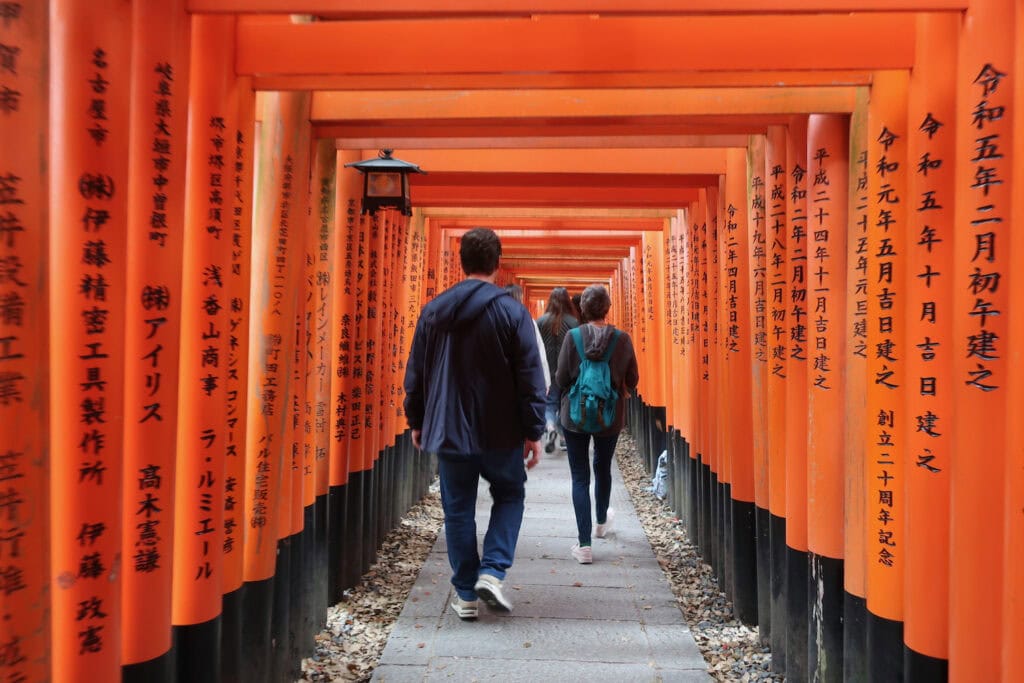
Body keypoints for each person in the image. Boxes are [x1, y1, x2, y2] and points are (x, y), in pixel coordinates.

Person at [404, 228, 546, 620]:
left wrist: (416, 418)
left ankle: (466, 593)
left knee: (458, 509)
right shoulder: (512, 312)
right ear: (497, 264)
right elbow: (530, 375)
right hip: (501, 429)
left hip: (449, 427)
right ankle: (494, 570)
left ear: (461, 262)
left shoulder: (433, 311)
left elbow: (417, 372)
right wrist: (533, 429)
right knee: (510, 494)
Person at [555, 284, 639, 564]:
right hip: (610, 416)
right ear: (607, 309)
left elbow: (561, 377)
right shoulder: (623, 340)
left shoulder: (573, 337)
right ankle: (601, 522)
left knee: (580, 477)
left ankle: (584, 545)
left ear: (582, 309)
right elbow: (633, 379)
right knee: (603, 467)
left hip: (575, 415)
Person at [536, 287, 578, 453]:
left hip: (547, 370)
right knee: (566, 402)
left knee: (549, 403)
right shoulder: (573, 322)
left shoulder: (540, 321)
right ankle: (562, 436)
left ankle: (551, 426)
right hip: (567, 370)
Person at [505, 283, 550, 392]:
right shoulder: (528, 321)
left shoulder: (495, 320)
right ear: (520, 298)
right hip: (523, 377)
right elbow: (539, 351)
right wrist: (545, 381)